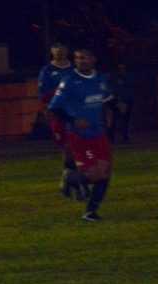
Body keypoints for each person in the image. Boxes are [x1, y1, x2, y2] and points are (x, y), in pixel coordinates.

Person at [48, 47, 114, 222]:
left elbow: (106, 101)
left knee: (105, 173)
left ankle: (91, 212)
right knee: (95, 175)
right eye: (77, 58)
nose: (80, 61)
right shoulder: (69, 80)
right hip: (80, 136)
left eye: (84, 58)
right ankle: (70, 177)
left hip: (99, 133)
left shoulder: (101, 79)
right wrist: (73, 120)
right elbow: (54, 107)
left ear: (93, 59)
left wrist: (110, 117)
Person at [37, 42, 82, 199]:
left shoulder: (75, 69)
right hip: (58, 114)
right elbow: (43, 95)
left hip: (75, 113)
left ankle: (70, 180)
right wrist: (47, 110)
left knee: (77, 146)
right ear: (52, 52)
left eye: (62, 49)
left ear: (67, 51)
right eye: (56, 50)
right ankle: (71, 180)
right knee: (67, 147)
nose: (59, 52)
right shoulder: (47, 71)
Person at [109, 63, 134, 143]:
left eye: (123, 68)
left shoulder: (128, 77)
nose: (122, 70)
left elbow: (129, 89)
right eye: (120, 69)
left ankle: (125, 137)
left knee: (126, 120)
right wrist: (118, 100)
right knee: (115, 120)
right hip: (118, 101)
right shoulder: (115, 78)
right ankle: (112, 137)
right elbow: (115, 89)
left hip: (127, 100)